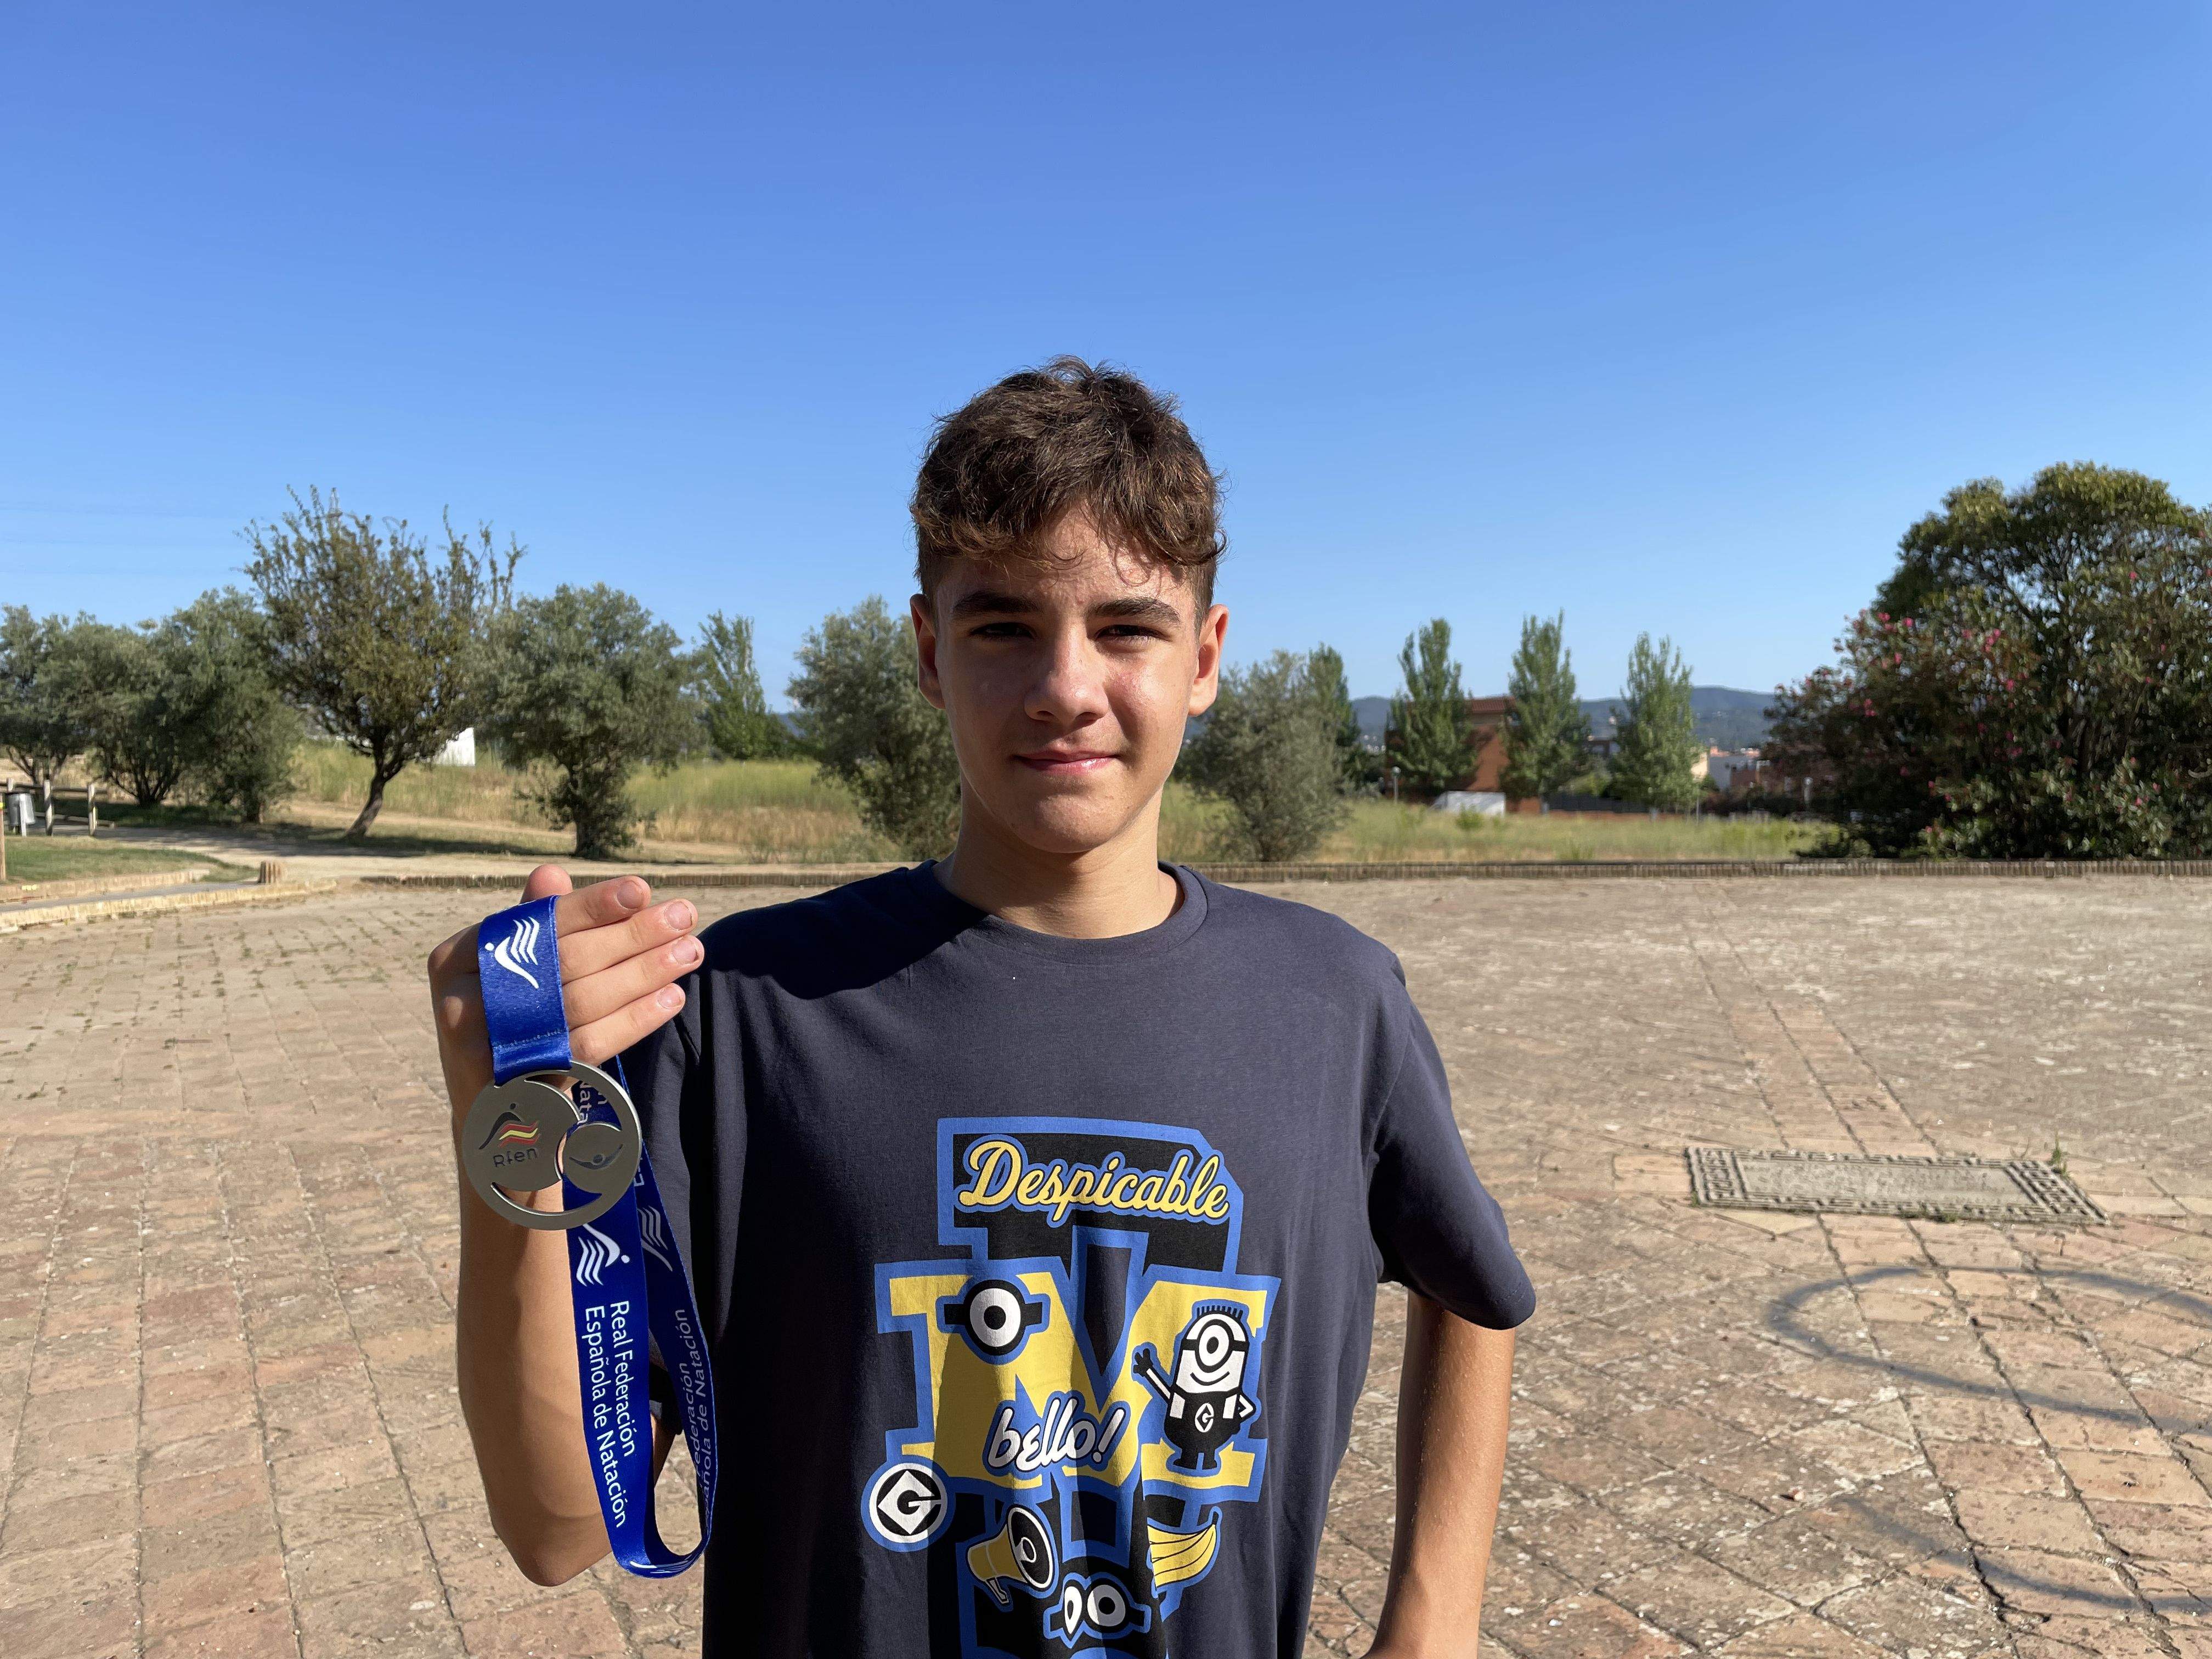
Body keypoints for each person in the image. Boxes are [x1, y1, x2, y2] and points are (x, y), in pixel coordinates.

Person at [428, 357, 1534, 1658]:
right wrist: (505, 1133)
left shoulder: (1336, 1000)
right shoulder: (742, 1016)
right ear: (925, 652)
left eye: (1127, 627)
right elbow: (557, 1529)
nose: (1067, 685)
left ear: (1207, 658)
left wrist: (1434, 1620)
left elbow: (1475, 1289)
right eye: (1004, 626)